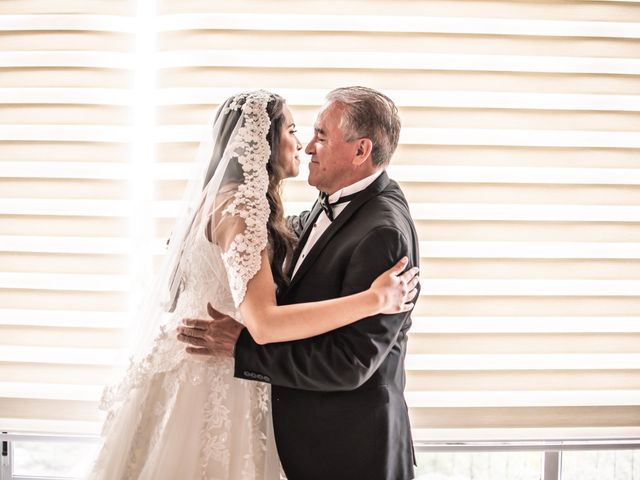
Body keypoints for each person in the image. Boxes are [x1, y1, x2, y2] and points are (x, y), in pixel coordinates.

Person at [86, 90, 418, 480]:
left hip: (348, 447)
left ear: (361, 151)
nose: (307, 146)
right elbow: (269, 305)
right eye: (296, 131)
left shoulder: (381, 232)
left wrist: (243, 349)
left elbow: (350, 363)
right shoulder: (249, 207)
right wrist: (374, 299)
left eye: (318, 136)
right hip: (209, 384)